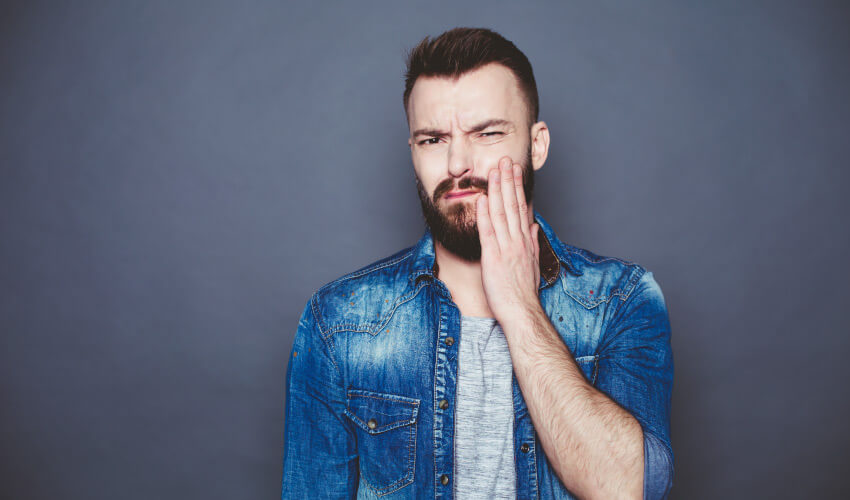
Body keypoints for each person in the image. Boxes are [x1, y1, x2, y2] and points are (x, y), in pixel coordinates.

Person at [281, 27, 673, 500]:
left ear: (537, 145)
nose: (457, 163)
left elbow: (626, 489)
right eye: (432, 139)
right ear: (412, 153)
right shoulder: (337, 322)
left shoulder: (621, 300)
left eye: (487, 133)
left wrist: (518, 305)